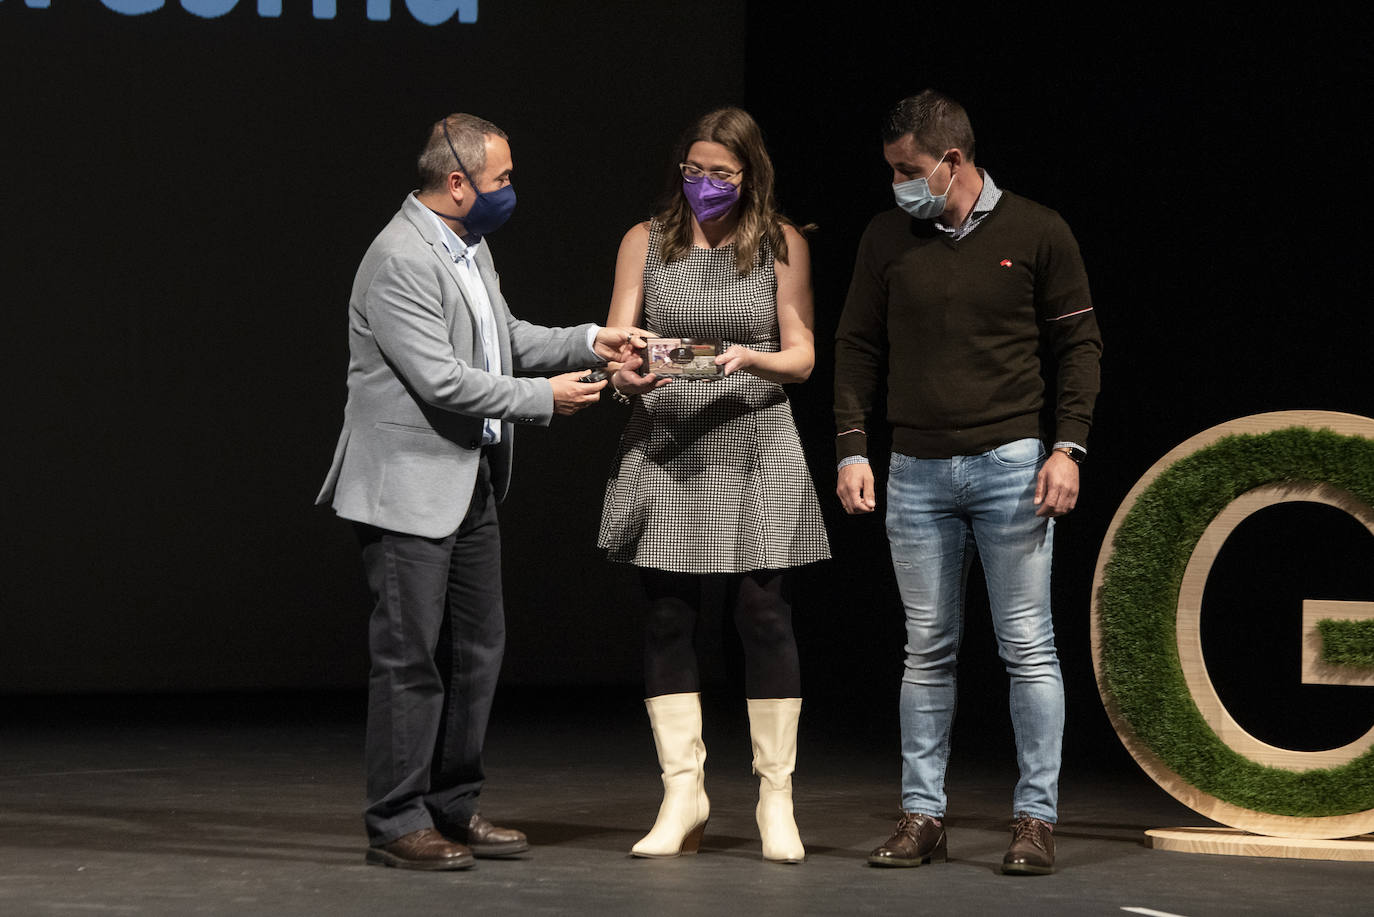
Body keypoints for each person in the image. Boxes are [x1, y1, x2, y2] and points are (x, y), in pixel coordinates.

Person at [316, 113, 644, 871]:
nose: (510, 191)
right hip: (407, 489)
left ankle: (451, 804)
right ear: (457, 183)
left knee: (478, 652)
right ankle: (397, 819)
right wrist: (543, 399)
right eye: (501, 179)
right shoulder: (399, 257)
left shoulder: (468, 245)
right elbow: (441, 379)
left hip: (467, 482)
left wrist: (593, 340)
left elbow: (502, 338)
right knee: (410, 658)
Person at [834, 90, 1102, 876]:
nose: (897, 184)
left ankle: (1036, 820)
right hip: (914, 470)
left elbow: (1080, 347)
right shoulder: (888, 237)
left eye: (908, 170)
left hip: (1013, 466)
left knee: (1027, 646)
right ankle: (923, 815)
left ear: (952, 161)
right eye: (892, 171)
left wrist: (1070, 448)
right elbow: (855, 346)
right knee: (927, 648)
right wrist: (853, 447)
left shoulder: (1038, 229)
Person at [598, 107, 830, 864]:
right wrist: (628, 372)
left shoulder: (779, 243)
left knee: (763, 614)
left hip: (755, 440)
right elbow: (618, 346)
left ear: (749, 174)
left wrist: (747, 355)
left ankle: (775, 798)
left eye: (720, 174)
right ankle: (683, 792)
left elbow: (801, 357)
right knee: (668, 616)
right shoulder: (646, 239)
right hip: (668, 442)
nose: (703, 185)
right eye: (693, 171)